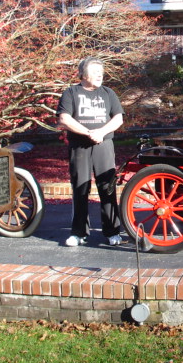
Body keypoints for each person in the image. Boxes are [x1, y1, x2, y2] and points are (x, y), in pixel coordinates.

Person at [57, 57, 124, 247]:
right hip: (79, 147)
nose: (100, 75)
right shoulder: (71, 93)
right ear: (83, 74)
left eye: (101, 73)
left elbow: (118, 118)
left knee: (107, 188)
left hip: (104, 145)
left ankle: (112, 232)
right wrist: (88, 133)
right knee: (80, 189)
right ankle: (78, 233)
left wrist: (101, 132)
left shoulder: (108, 93)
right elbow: (64, 119)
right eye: (95, 72)